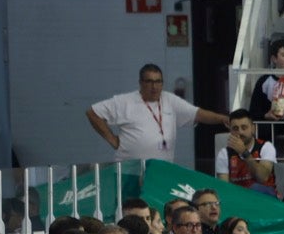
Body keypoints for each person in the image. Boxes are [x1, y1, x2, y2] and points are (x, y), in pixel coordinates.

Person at [86, 64, 228, 162]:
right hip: (129, 170)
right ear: (140, 83)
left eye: (158, 81)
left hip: (162, 170)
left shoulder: (170, 100)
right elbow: (93, 113)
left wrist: (223, 119)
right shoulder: (125, 101)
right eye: (149, 82)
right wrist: (112, 140)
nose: (154, 86)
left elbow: (198, 114)